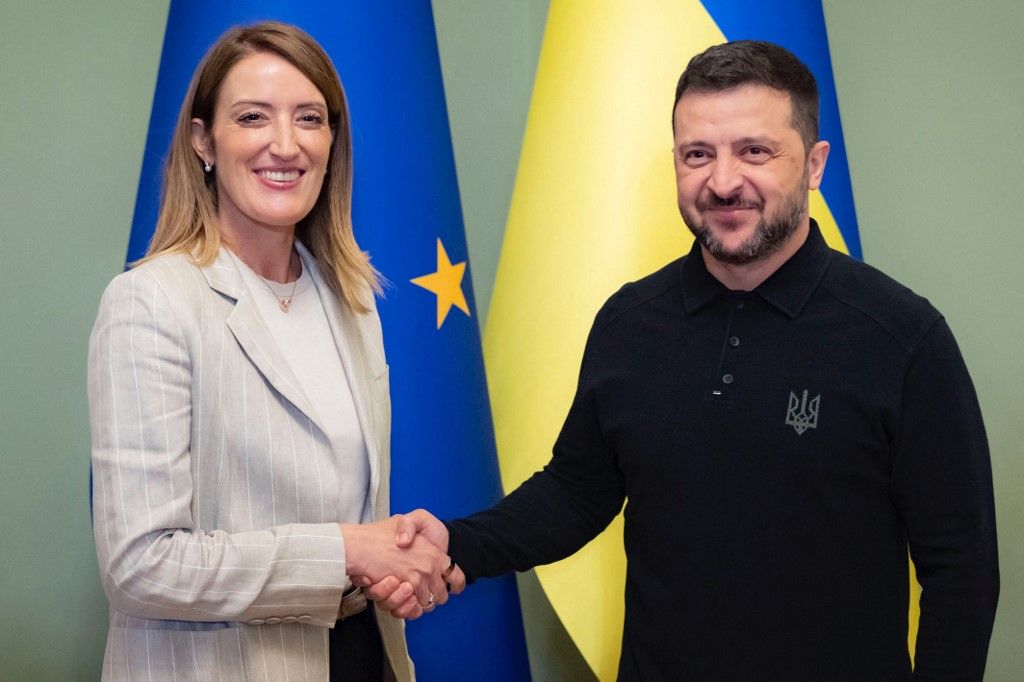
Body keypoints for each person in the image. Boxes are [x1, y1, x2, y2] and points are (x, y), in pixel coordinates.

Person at [366, 40, 1000, 680]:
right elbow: (577, 492)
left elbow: (962, 568)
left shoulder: (902, 337)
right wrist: (459, 545)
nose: (723, 182)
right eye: (699, 155)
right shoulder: (629, 323)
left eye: (754, 151)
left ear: (813, 164)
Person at [88, 22, 463, 682]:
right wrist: (347, 552)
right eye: (253, 117)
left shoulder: (352, 299)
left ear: (332, 141)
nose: (285, 145)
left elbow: (351, 514)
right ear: (204, 140)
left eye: (309, 119)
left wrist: (392, 558)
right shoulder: (151, 303)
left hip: (362, 657)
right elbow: (140, 564)